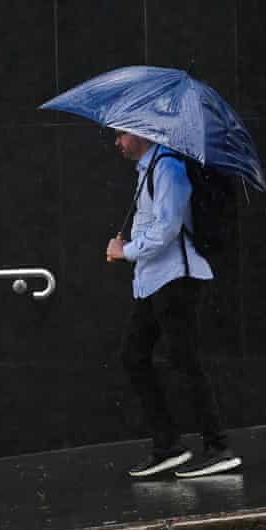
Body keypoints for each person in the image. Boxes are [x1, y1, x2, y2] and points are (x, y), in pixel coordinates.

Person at [106, 129, 242, 478]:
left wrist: (127, 251)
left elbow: (167, 227)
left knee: (186, 361)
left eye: (121, 134)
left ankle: (218, 447)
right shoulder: (148, 170)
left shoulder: (169, 168)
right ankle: (167, 446)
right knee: (134, 356)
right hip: (153, 281)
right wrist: (130, 244)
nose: (117, 143)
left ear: (140, 133)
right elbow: (153, 223)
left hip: (176, 279)